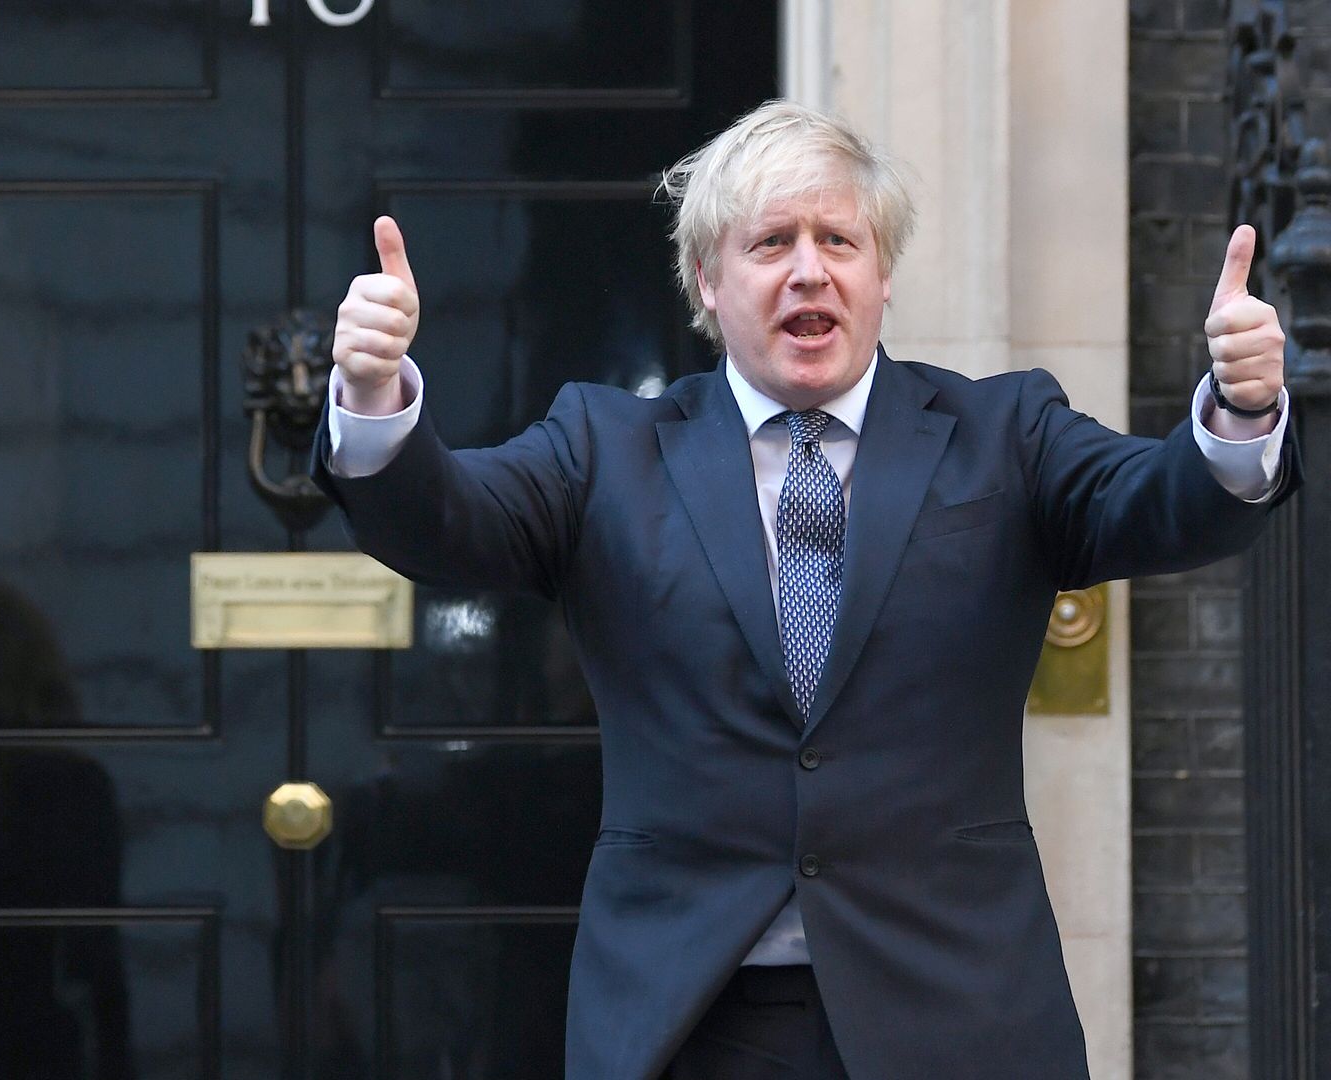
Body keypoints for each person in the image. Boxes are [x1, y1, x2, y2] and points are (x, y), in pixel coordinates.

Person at [313, 100, 1294, 1080]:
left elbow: (1161, 502)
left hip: (958, 1013)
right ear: (707, 278)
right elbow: (449, 521)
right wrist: (373, 399)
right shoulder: (602, 448)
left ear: (882, 273)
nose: (810, 270)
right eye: (771, 241)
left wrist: (1240, 410)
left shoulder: (1008, 433)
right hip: (690, 1021)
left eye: (839, 239)